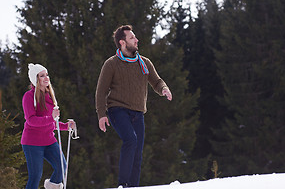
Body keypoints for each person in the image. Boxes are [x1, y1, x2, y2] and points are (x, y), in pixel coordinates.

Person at [95, 25, 172, 188]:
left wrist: (164, 89)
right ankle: (122, 184)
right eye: (132, 38)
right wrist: (102, 114)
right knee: (131, 140)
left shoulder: (144, 63)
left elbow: (157, 81)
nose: (136, 40)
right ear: (122, 43)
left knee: (137, 153)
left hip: (138, 112)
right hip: (118, 110)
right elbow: (101, 91)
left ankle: (133, 186)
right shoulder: (111, 64)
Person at [21, 63, 76, 189]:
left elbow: (52, 122)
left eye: (47, 75)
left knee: (62, 167)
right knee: (35, 176)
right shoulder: (28, 96)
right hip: (32, 142)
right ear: (36, 79)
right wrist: (51, 117)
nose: (46, 78)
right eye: (42, 76)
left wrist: (66, 126)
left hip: (49, 141)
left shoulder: (50, 96)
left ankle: (52, 186)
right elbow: (31, 120)